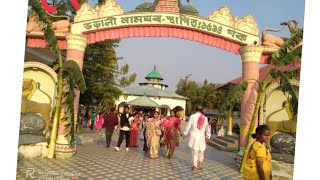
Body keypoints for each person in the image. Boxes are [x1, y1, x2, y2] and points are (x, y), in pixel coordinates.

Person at [183, 105, 211, 171]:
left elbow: (188, 126)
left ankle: (194, 165)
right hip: (201, 137)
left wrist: (185, 133)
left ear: (195, 109)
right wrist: (208, 136)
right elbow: (208, 128)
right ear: (202, 110)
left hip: (194, 136)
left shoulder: (192, 116)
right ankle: (200, 164)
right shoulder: (205, 118)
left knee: (194, 151)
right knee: (201, 151)